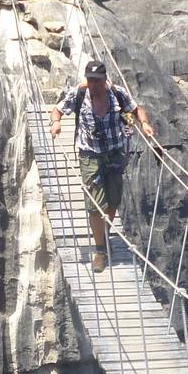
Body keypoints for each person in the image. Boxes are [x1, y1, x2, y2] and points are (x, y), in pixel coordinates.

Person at [49, 60, 155, 273]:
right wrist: (56, 123)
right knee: (96, 205)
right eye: (90, 80)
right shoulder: (78, 94)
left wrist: (144, 123)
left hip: (115, 154)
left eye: (97, 81)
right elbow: (57, 110)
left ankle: (104, 236)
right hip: (90, 156)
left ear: (104, 79)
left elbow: (136, 109)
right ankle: (100, 250)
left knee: (113, 200)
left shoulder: (117, 93)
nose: (93, 85)